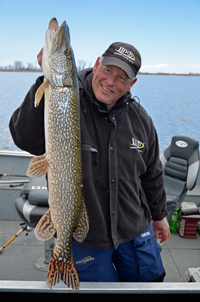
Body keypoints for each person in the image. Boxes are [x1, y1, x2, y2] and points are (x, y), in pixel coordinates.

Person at [9, 42, 170, 282]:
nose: (111, 81)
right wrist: (44, 80)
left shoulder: (141, 119)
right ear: (96, 65)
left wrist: (159, 215)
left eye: (122, 77)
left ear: (131, 84)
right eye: (108, 70)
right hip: (86, 236)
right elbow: (25, 139)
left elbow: (152, 174)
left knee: (151, 285)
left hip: (134, 229)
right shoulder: (65, 101)